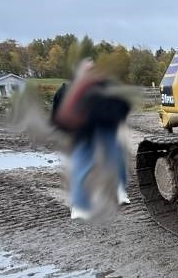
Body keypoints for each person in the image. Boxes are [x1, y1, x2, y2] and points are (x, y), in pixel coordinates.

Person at [51, 59, 132, 220]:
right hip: (83, 131)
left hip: (104, 127)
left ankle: (119, 190)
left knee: (115, 157)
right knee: (82, 164)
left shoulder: (102, 87)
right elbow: (58, 111)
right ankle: (79, 205)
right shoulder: (67, 89)